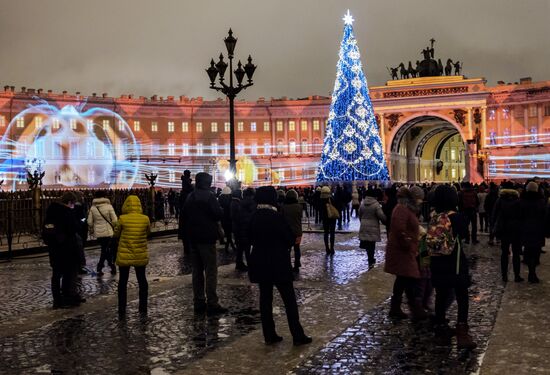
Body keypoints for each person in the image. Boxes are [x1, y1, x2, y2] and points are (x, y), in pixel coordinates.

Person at [248, 186, 312, 346]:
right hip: (278, 263)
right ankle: (297, 334)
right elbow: (289, 238)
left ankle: (269, 334)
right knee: (289, 300)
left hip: (260, 263)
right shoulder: (276, 216)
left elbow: (247, 238)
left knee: (265, 300)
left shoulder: (254, 217)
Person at [429, 185, 476, 349]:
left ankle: (441, 330)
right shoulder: (458, 217)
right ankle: (462, 331)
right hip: (455, 262)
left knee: (441, 295)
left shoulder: (434, 216)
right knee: (462, 296)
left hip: (437, 263)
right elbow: (464, 235)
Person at [183, 172, 227, 315]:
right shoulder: (209, 196)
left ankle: (199, 302)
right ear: (207, 183)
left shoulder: (191, 196)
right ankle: (212, 303)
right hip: (207, 238)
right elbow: (217, 214)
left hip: (193, 238)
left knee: (197, 271)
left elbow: (184, 214)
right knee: (211, 271)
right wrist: (221, 210)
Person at [385, 187, 427, 321]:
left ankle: (399, 307)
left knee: (404, 279)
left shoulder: (406, 209)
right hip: (402, 251)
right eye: (420, 198)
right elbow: (399, 230)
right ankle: (414, 308)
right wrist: (408, 244)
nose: (421, 201)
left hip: (405, 250)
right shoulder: (402, 209)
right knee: (410, 278)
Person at [43, 191, 83, 309]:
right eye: (73, 204)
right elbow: (74, 228)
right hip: (67, 249)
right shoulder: (67, 213)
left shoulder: (50, 213)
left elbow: (46, 232)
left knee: (56, 275)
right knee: (68, 274)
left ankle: (57, 300)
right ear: (70, 202)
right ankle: (67, 298)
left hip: (54, 249)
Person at [114, 195, 151, 319]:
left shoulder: (122, 219)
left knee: (123, 281)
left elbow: (116, 234)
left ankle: (122, 308)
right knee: (142, 280)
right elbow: (148, 233)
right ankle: (143, 307)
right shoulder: (145, 219)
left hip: (125, 254)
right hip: (140, 253)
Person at [492, 181, 522, 282]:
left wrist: (494, 227)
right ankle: (517, 276)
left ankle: (504, 275)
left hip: (503, 228)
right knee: (516, 253)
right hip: (516, 229)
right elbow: (522, 215)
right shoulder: (518, 200)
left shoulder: (500, 200)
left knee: (504, 253)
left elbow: (494, 214)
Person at [518, 181, 546, 283]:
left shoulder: (521, 201)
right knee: (536, 251)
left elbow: (519, 216)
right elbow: (545, 217)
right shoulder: (541, 201)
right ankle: (533, 273)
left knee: (528, 250)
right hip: (538, 229)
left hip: (525, 229)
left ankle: (531, 271)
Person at [88, 190, 118, 276]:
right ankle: (106, 266)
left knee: (104, 249)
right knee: (105, 250)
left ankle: (105, 267)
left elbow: (89, 222)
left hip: (99, 233)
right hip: (108, 232)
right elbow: (115, 220)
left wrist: (94, 226)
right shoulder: (109, 206)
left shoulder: (93, 208)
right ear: (105, 197)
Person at [358, 189, 386, 267]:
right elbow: (380, 215)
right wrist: (385, 220)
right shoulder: (376, 204)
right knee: (372, 244)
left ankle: (370, 258)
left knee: (367, 244)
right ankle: (371, 259)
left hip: (364, 225)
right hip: (373, 226)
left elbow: (359, 214)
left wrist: (362, 222)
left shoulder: (363, 204)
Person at [233, 187, 257, 272]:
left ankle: (239, 263)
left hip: (239, 228)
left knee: (240, 248)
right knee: (247, 249)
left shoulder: (240, 203)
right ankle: (250, 265)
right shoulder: (252, 203)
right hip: (247, 229)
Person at [282, 189, 304, 272]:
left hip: (287, 231)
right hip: (297, 231)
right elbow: (300, 217)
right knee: (297, 248)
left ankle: (288, 264)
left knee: (288, 249)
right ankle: (297, 264)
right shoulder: (299, 207)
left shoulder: (284, 207)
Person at [230, 188, 247, 271]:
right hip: (238, 228)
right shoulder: (236, 203)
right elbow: (238, 216)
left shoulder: (234, 202)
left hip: (236, 227)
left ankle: (239, 263)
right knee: (240, 247)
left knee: (240, 246)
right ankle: (239, 263)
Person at [178, 170, 194, 256]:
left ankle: (187, 248)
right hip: (188, 216)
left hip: (184, 215)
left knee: (185, 232)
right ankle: (188, 248)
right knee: (188, 231)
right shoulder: (188, 189)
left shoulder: (185, 186)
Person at [319, 186, 337, 256]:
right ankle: (332, 248)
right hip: (332, 218)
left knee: (326, 233)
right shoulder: (332, 199)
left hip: (325, 218)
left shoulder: (321, 200)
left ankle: (327, 248)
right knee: (332, 233)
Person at [218, 186, 236, 252]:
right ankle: (230, 247)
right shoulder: (231, 199)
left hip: (223, 219)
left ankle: (228, 247)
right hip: (230, 218)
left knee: (228, 233)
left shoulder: (220, 199)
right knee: (229, 234)